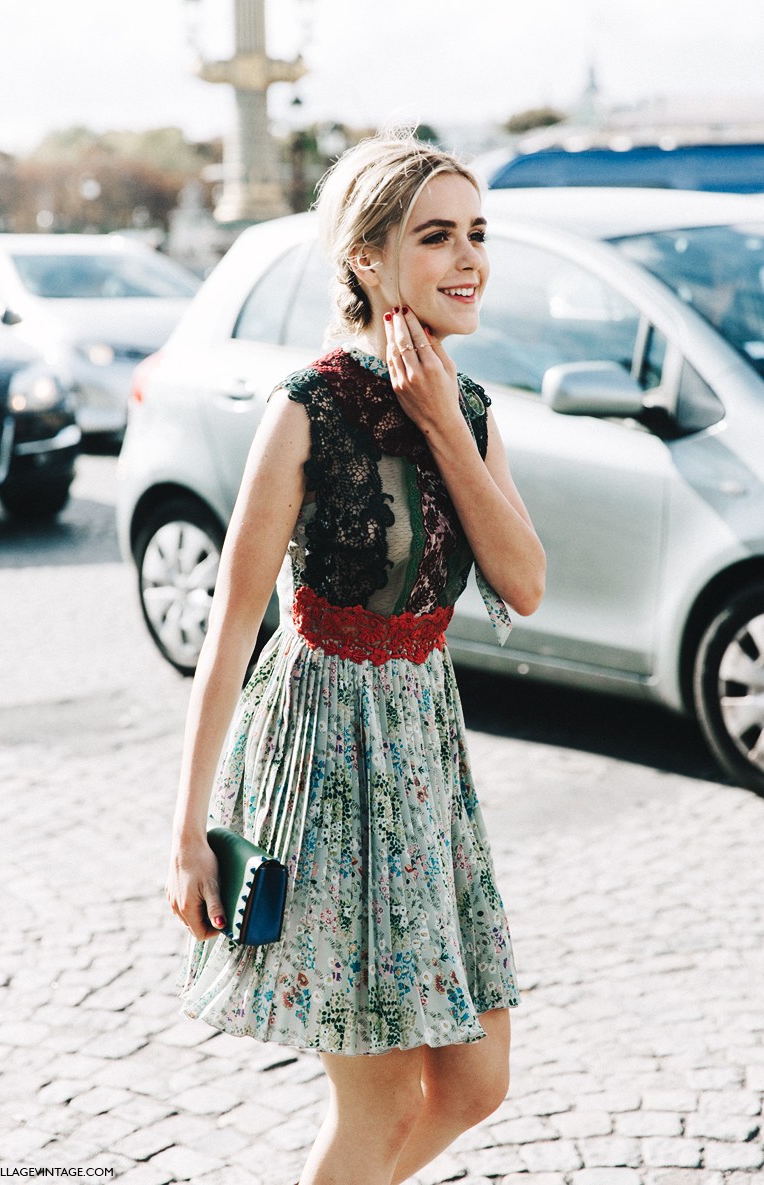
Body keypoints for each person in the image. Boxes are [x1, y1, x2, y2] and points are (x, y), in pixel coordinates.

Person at [165, 131, 546, 1185]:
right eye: (436, 237)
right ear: (367, 260)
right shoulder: (308, 408)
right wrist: (188, 832)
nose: (468, 258)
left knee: (475, 1082)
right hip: (322, 756)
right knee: (375, 1106)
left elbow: (524, 581)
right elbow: (233, 623)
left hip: (424, 746)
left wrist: (443, 427)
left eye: (477, 233)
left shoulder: (468, 409)